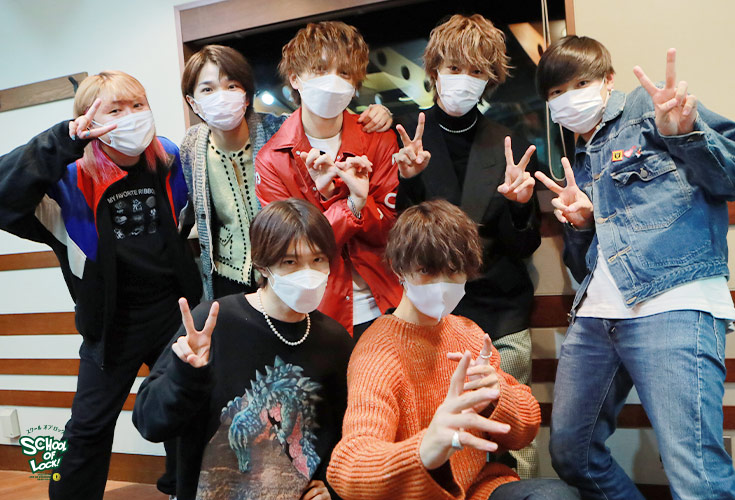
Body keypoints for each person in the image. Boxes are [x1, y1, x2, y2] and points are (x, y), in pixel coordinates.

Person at [534, 36, 735, 500]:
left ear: (608, 80)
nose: (568, 98)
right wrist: (582, 225)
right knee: (572, 453)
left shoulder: (651, 109)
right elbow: (583, 266)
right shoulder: (577, 158)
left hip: (674, 300)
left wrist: (685, 133)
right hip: (596, 316)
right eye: (555, 93)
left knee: (698, 480)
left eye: (580, 84)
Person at [0, 71, 203, 499]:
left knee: (184, 410)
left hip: (173, 313)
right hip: (112, 323)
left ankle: (181, 490)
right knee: (87, 427)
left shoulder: (168, 158)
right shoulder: (68, 181)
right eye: (115, 109)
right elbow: (4, 195)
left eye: (137, 105)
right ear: (89, 121)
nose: (130, 116)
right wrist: (62, 140)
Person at [327, 200, 578, 500]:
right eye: (426, 270)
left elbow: (525, 430)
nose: (442, 284)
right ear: (398, 268)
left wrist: (498, 396)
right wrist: (423, 450)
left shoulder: (469, 333)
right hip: (420, 495)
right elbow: (349, 468)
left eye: (454, 271)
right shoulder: (377, 353)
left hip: (480, 489)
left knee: (556, 495)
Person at [394, 13, 541, 478]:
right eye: (454, 67)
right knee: (443, 441)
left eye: (476, 71)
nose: (463, 79)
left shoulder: (507, 141)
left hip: (499, 316)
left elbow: (524, 245)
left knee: (510, 438)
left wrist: (520, 205)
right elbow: (399, 242)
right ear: (435, 70)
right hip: (431, 319)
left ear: (490, 79)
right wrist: (408, 182)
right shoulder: (405, 135)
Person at [133, 198, 354, 500]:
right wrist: (186, 375)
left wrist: (332, 485)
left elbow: (347, 435)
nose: (307, 273)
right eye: (290, 262)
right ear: (262, 265)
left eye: (318, 259)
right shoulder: (213, 322)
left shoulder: (335, 342)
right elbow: (149, 422)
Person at [180, 44, 393, 300]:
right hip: (226, 275)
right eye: (208, 89)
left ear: (246, 95)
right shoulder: (191, 145)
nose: (221, 96)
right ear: (192, 102)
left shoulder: (279, 131)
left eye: (231, 86)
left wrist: (381, 112)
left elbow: (323, 123)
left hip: (282, 271)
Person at [255, 21, 401, 338]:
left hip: (384, 305)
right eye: (320, 70)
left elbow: (390, 232)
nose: (333, 82)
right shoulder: (272, 159)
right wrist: (351, 204)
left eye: (344, 73)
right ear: (295, 78)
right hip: (315, 311)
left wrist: (344, 204)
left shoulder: (379, 140)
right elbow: (294, 249)